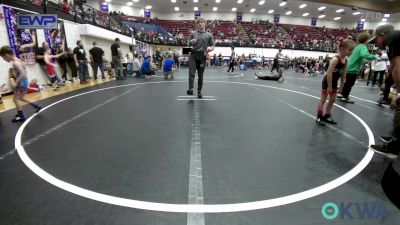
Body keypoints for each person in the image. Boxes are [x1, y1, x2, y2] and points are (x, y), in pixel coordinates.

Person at [369, 25, 400, 157]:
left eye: (376, 40)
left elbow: (397, 68)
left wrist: (399, 93)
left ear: (382, 35)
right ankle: (396, 137)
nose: (375, 44)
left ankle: (395, 146)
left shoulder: (392, 39)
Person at [316, 39, 355, 126]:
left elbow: (344, 74)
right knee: (323, 99)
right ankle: (319, 116)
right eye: (349, 50)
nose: (351, 52)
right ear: (341, 48)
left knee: (332, 100)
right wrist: (329, 86)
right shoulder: (335, 59)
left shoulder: (346, 60)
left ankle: (327, 115)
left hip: (334, 82)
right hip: (327, 82)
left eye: (352, 50)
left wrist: (341, 85)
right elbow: (329, 74)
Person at [0, 46, 42, 122]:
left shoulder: (15, 63)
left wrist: (16, 83)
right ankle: (36, 106)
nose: (4, 60)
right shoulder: (18, 60)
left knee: (15, 99)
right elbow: (23, 72)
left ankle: (21, 116)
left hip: (21, 83)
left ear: (7, 55)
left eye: (3, 58)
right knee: (21, 98)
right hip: (24, 82)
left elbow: (23, 74)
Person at [338, 33, 377, 103]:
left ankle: (341, 94)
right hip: (353, 68)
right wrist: (375, 57)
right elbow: (364, 54)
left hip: (348, 67)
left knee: (347, 82)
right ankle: (345, 97)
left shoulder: (357, 46)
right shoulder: (363, 47)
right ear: (367, 40)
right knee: (350, 83)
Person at [187, 17, 215, 98]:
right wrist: (191, 42)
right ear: (196, 24)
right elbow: (188, 44)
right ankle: (190, 89)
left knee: (200, 75)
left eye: (202, 22)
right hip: (193, 55)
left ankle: (199, 91)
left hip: (202, 56)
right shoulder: (193, 33)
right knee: (191, 73)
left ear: (205, 24)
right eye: (198, 22)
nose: (200, 24)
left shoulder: (209, 35)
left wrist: (210, 49)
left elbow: (213, 45)